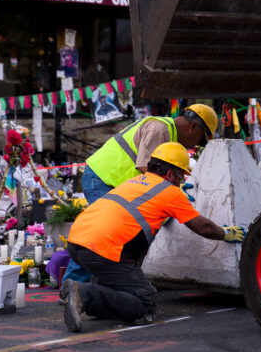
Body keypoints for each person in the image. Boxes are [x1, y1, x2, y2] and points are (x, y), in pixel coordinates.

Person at [62, 142, 245, 332]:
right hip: (102, 250)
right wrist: (225, 233)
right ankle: (84, 295)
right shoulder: (171, 192)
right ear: (169, 174)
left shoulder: (134, 181)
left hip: (77, 241)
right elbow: (203, 227)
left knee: (123, 284)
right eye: (180, 176)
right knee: (144, 302)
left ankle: (92, 297)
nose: (180, 182)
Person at [61, 104, 219, 284]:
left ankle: (112, 285)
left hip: (112, 182)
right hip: (103, 179)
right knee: (100, 235)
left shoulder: (167, 133)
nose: (197, 145)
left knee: (113, 235)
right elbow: (148, 170)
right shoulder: (160, 130)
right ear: (193, 127)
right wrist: (171, 193)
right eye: (200, 140)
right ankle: (73, 285)